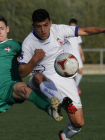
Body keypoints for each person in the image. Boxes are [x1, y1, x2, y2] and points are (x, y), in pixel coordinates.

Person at [0, 15, 62, 140]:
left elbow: (37, 53)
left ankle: (50, 109)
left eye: (2, 28)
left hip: (11, 86)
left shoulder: (16, 45)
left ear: (7, 29)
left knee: (24, 89)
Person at [18, 9, 105, 140]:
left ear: (51, 23)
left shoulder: (59, 30)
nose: (43, 30)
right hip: (42, 81)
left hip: (63, 77)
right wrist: (34, 59)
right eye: (38, 26)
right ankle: (60, 102)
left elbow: (85, 31)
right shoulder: (28, 43)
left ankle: (64, 136)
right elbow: (23, 73)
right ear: (33, 26)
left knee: (78, 123)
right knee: (37, 76)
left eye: (45, 25)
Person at [68, 18, 85, 94]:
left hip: (77, 55)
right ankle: (69, 88)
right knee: (69, 72)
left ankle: (75, 86)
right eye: (71, 26)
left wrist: (82, 55)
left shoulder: (78, 34)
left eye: (74, 26)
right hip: (69, 56)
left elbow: (79, 45)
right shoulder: (66, 34)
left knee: (80, 70)